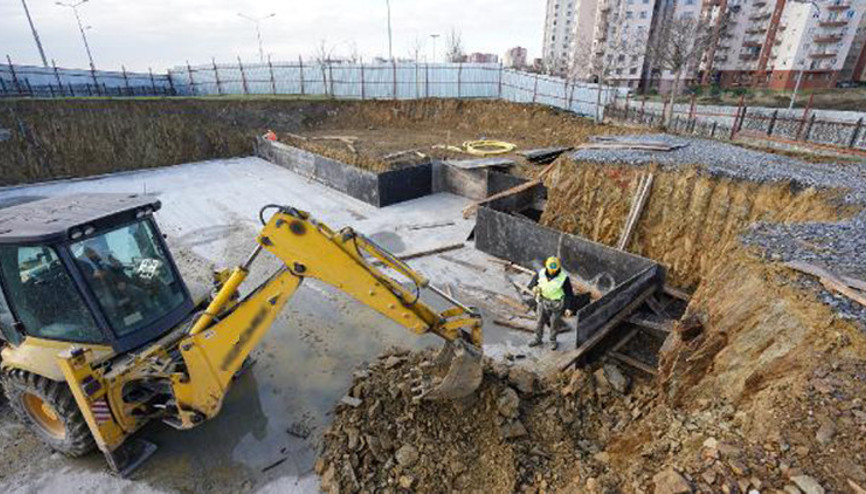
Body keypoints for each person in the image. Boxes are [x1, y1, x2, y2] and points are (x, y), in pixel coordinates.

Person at [527, 256, 575, 350]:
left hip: (556, 304)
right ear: (546, 267)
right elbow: (532, 283)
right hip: (542, 301)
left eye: (555, 270)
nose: (552, 272)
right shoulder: (540, 273)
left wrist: (569, 308)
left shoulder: (564, 278)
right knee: (539, 321)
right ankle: (537, 338)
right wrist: (534, 288)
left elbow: (569, 294)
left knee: (554, 323)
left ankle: (552, 340)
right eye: (550, 270)